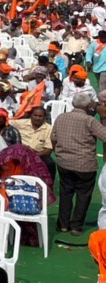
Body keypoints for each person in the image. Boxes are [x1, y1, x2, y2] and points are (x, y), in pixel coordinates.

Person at [50, 91, 106, 235]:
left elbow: (53, 137)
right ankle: (76, 226)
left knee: (66, 193)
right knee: (83, 195)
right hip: (84, 165)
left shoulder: (61, 117)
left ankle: (63, 225)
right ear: (88, 106)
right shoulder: (90, 121)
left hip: (64, 163)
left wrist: (59, 152)